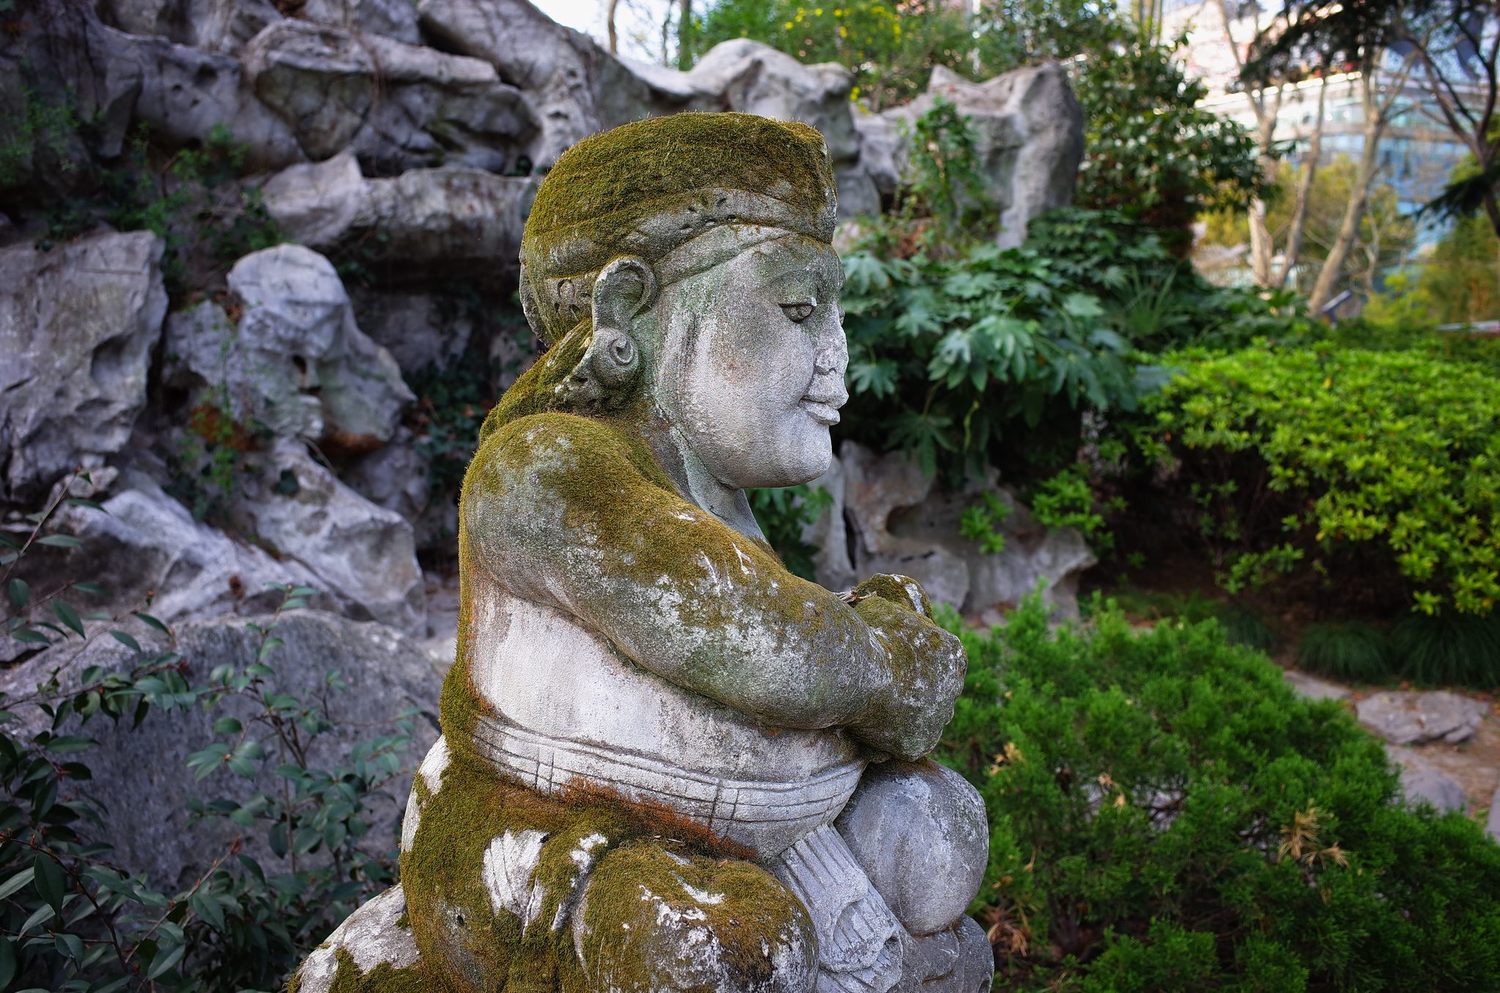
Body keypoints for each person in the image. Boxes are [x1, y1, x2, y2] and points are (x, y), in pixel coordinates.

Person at [297, 112, 991, 993]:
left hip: (768, 823)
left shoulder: (715, 492)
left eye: (835, 314)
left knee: (938, 837)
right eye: (797, 310)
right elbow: (762, 641)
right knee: (724, 949)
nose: (836, 360)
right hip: (561, 835)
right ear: (628, 309)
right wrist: (895, 664)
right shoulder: (542, 466)